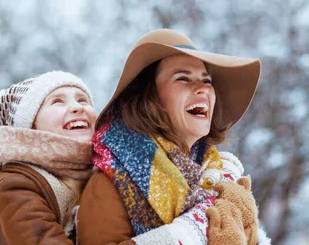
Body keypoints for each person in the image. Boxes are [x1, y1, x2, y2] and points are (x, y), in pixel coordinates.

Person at [77, 29, 270, 245]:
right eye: (183, 78)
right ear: (147, 97)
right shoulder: (113, 182)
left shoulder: (222, 180)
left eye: (207, 81)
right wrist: (187, 233)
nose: (202, 89)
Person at [0, 71, 95, 245]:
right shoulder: (16, 182)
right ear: (31, 126)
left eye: (82, 100)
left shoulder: (97, 171)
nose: (77, 107)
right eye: (57, 101)